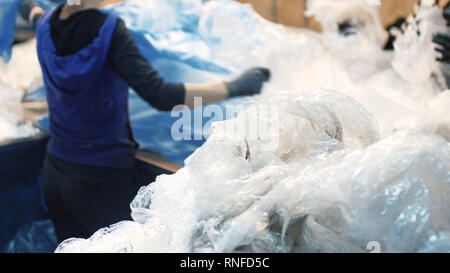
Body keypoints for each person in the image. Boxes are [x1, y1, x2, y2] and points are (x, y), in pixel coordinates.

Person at [20, 0, 271, 244]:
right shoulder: (109, 30)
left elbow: (33, 13)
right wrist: (234, 87)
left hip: (54, 173)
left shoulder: (45, 22)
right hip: (100, 180)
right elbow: (162, 95)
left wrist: (26, 6)